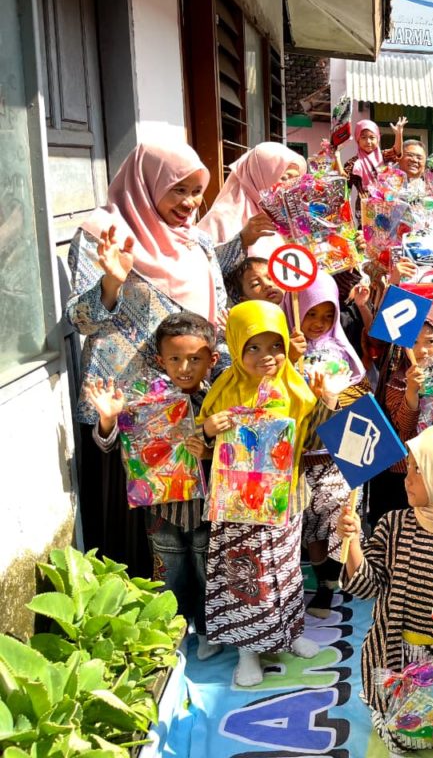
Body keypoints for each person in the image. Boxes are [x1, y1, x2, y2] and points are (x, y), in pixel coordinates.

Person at [65, 142, 242, 576]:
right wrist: (112, 282)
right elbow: (81, 320)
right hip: (125, 408)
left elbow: (217, 314)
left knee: (188, 529)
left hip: (188, 405)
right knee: (132, 531)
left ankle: (184, 607)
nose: (190, 202)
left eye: (197, 191)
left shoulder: (199, 242)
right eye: (178, 189)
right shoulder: (102, 234)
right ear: (147, 182)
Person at [337, 422, 433, 753]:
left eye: (419, 470)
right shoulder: (393, 524)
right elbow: (366, 586)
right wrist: (352, 544)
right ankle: (387, 719)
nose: (407, 478)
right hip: (391, 653)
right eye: (408, 467)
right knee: (400, 731)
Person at [198, 301, 330, 686]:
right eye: (253, 346)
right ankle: (248, 652)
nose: (266, 356)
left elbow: (315, 443)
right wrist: (208, 430)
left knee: (286, 570)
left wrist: (324, 402)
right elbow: (198, 450)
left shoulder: (296, 386)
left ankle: (291, 632)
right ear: (235, 346)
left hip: (287, 500)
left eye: (276, 345)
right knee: (245, 575)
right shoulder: (224, 391)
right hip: (238, 508)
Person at [82, 312, 222, 661]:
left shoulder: (219, 401)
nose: (184, 368)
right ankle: (174, 631)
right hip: (162, 511)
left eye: (195, 359)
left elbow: (236, 452)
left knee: (208, 570)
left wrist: (208, 449)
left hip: (208, 510)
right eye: (175, 359)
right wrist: (109, 418)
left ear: (212, 359)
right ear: (160, 361)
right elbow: (110, 445)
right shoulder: (146, 401)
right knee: (168, 573)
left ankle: (208, 630)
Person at [282, 271, 369, 617]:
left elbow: (357, 403)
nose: (319, 322)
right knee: (311, 528)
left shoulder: (343, 356)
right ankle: (321, 582)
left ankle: (330, 586)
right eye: (311, 313)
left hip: (336, 459)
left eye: (327, 314)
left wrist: (330, 400)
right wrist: (290, 363)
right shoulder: (283, 354)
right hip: (300, 459)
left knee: (337, 520)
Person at [371, 307, 433, 527]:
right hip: (407, 473)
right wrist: (411, 391)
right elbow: (404, 427)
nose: (422, 350)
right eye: (413, 342)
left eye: (431, 342)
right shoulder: (398, 382)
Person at [197, 142, 306, 250]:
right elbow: (202, 258)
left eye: (295, 180)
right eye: (284, 178)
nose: (290, 186)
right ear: (259, 177)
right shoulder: (220, 220)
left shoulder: (291, 217)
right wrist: (241, 241)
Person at [344, 117, 406, 195]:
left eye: (372, 137)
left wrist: (398, 134)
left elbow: (396, 152)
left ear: (378, 139)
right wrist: (337, 157)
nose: (368, 142)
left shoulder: (383, 156)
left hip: (386, 200)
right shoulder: (353, 163)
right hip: (364, 202)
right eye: (363, 137)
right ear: (358, 140)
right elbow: (344, 186)